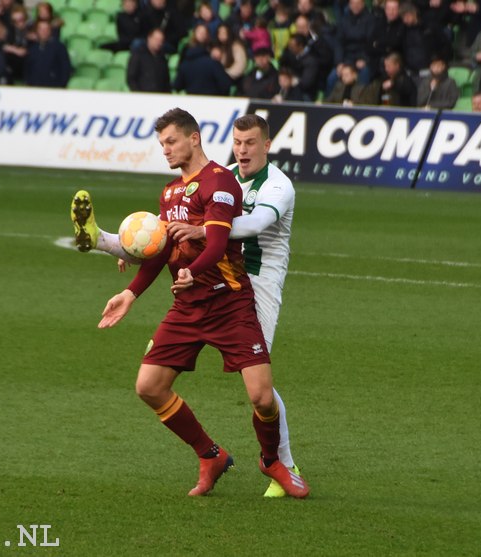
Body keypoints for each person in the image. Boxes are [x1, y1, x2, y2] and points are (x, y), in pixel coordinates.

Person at [74, 108, 310, 499]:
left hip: (234, 299)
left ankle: (274, 460)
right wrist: (130, 292)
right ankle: (210, 455)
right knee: (148, 386)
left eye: (171, 141)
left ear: (194, 138)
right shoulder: (170, 192)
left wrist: (192, 267)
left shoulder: (226, 183)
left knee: (262, 396)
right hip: (188, 306)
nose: (165, 150)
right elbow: (163, 247)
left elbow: (220, 240)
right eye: (161, 143)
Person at [24, 19, 72, 87]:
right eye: (41, 29)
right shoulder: (32, 48)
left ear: (50, 31)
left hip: (53, 88)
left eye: (46, 29)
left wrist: (60, 86)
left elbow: (65, 69)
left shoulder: (59, 47)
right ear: (37, 31)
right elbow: (28, 69)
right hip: (34, 89)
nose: (43, 32)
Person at [126, 27, 171, 92]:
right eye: (156, 40)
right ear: (149, 38)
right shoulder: (138, 54)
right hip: (142, 96)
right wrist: (137, 93)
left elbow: (166, 80)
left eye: (161, 41)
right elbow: (131, 77)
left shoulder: (162, 58)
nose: (159, 43)